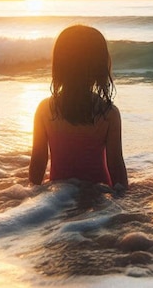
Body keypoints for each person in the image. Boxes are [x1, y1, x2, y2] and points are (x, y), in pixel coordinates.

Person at [29, 25, 128, 190]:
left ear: (59, 66)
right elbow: (116, 165)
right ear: (99, 68)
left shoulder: (45, 109)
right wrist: (123, 202)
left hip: (59, 196)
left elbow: (38, 162)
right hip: (99, 196)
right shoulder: (108, 113)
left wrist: (33, 198)